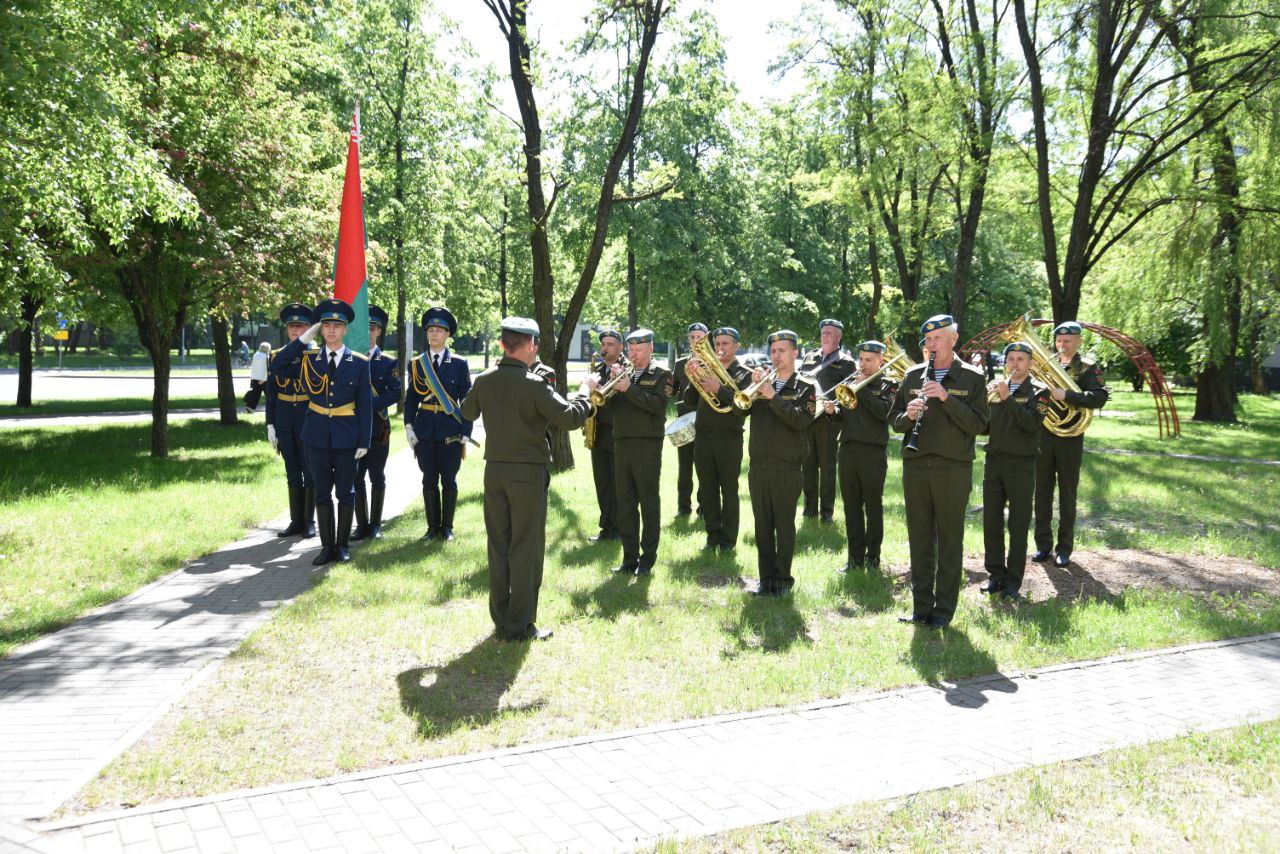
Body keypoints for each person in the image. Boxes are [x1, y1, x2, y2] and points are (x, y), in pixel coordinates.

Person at [460, 317, 596, 641]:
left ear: (503, 345)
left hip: (494, 472)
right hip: (526, 475)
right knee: (526, 548)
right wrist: (585, 393)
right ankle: (519, 626)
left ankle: (502, 620)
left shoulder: (485, 379)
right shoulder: (534, 384)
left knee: (499, 546)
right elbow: (571, 418)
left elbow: (466, 412)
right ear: (532, 345)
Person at [891, 314, 989, 628]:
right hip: (916, 466)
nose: (932, 345)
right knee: (919, 539)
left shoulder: (972, 378)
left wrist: (946, 399)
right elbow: (894, 421)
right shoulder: (912, 375)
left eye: (938, 338)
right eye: (928, 340)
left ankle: (944, 612)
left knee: (949, 541)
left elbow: (980, 425)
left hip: (952, 469)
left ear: (953, 340)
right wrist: (908, 415)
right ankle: (921, 609)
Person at [271, 298, 372, 565]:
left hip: (347, 436)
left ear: (345, 329)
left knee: (346, 492)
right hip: (315, 436)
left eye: (336, 326)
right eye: (326, 325)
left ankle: (342, 545)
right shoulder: (307, 359)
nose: (331, 331)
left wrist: (365, 439)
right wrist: (303, 338)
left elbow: (364, 404)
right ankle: (327, 547)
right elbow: (277, 366)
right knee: (322, 492)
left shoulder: (359, 363)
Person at [745, 330, 816, 595]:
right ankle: (765, 580)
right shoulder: (763, 382)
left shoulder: (806, 387)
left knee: (784, 526)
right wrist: (752, 389)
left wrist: (773, 397)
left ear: (794, 353)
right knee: (762, 526)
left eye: (782, 351)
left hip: (787, 467)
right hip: (758, 466)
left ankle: (783, 580)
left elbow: (801, 420)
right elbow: (740, 410)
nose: (776, 356)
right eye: (773, 351)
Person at [1033, 321, 1109, 568]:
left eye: (1067, 341)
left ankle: (1064, 549)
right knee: (1041, 492)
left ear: (1078, 341)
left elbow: (1099, 397)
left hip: (1070, 437)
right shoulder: (1046, 365)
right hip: (1044, 435)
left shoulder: (1088, 367)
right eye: (1059, 340)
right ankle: (1042, 546)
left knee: (1067, 493)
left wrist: (1067, 396)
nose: (1062, 344)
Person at [982, 342, 1050, 599]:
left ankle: (1013, 581)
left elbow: (1031, 423)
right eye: (1010, 359)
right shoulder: (995, 389)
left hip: (1022, 464)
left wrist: (1008, 398)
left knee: (1018, 524)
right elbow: (986, 426)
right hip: (994, 461)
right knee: (991, 522)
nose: (1014, 363)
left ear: (1030, 363)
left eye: (1020, 359)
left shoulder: (1040, 392)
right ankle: (995, 574)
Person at [404, 307, 472, 542]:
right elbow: (411, 398)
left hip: (450, 430)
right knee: (428, 479)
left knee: (449, 479)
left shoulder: (460, 364)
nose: (434, 334)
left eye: (439, 330)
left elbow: (467, 399)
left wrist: (466, 429)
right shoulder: (416, 364)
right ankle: (432, 527)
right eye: (431, 330)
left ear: (447, 335)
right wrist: (408, 426)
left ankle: (448, 527)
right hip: (424, 429)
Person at [608, 328, 673, 576]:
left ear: (650, 349)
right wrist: (612, 384)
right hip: (621, 442)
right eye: (631, 349)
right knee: (625, 503)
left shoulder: (662, 375)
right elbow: (608, 404)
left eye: (638, 350)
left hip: (647, 444)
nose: (633, 354)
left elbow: (658, 406)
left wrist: (630, 389)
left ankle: (647, 561)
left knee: (648, 502)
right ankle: (629, 558)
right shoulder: (624, 372)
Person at [683, 326, 752, 552]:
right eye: (718, 344)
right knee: (707, 490)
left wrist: (719, 388)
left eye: (726, 344)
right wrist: (693, 375)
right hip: (703, 438)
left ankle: (728, 541)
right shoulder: (706, 367)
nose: (720, 348)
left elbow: (743, 408)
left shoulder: (745, 373)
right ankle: (712, 536)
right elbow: (690, 400)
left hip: (729, 439)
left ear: (736, 346)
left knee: (729, 491)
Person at [833, 340, 899, 571]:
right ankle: (854, 559)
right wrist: (833, 411)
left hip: (873, 452)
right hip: (848, 451)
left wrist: (863, 390)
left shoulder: (889, 385)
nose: (863, 364)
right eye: (861, 359)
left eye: (869, 360)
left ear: (880, 360)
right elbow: (844, 416)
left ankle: (873, 559)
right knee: (851, 507)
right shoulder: (850, 382)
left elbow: (884, 413)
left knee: (872, 507)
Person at [265, 303, 316, 538]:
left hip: (307, 418)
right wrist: (270, 424)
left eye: (301, 327)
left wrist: (300, 348)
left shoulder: (314, 355)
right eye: (292, 327)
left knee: (310, 471)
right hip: (285, 419)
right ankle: (295, 520)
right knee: (292, 471)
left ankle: (309, 521)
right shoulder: (276, 356)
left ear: (308, 329)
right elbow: (272, 394)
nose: (296, 331)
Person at [351, 305, 402, 541]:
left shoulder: (388, 362)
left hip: (378, 428)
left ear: (379, 331)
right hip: (352, 428)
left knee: (377, 476)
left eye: (373, 328)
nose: (369, 332)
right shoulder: (350, 359)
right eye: (365, 328)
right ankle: (361, 525)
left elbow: (394, 393)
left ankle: (376, 525)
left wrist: (367, 405)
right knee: (355, 477)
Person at [799, 319, 855, 522]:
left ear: (839, 337)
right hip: (808, 419)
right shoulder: (809, 357)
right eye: (823, 332)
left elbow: (849, 393)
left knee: (828, 466)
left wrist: (834, 408)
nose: (826, 336)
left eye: (830, 333)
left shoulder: (847, 362)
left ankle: (827, 511)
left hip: (829, 421)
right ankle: (809, 508)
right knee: (808, 465)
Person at [588, 329, 625, 542]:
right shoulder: (598, 369)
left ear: (620, 347)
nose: (605, 348)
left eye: (610, 344)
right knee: (602, 482)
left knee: (618, 482)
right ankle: (606, 527)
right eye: (603, 344)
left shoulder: (627, 368)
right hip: (598, 431)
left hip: (618, 431)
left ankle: (620, 528)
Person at [670, 322, 708, 519]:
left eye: (699, 336)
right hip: (684, 421)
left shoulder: (713, 363)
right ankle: (683, 508)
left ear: (706, 338)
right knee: (684, 468)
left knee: (703, 467)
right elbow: (672, 390)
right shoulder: (680, 364)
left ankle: (703, 508)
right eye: (692, 337)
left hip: (706, 423)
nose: (695, 340)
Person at [243, 342, 272, 412]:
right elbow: (266, 369)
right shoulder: (266, 357)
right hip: (264, 379)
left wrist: (252, 378)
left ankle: (250, 407)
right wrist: (264, 379)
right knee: (269, 395)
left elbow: (254, 368)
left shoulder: (256, 355)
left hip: (255, 378)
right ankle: (272, 408)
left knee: (255, 394)